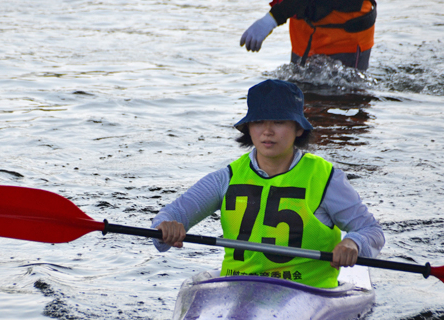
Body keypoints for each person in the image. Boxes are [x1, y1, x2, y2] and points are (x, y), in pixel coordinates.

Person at [152, 79, 384, 288]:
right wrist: (166, 228)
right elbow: (172, 216)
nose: (267, 131)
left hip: (307, 293)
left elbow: (371, 230)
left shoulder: (326, 179)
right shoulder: (226, 178)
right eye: (259, 122)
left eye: (279, 121)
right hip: (238, 290)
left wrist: (353, 243)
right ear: (248, 128)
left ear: (299, 128)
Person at [240, 0, 377, 70]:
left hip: (343, 38)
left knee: (343, 105)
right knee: (301, 102)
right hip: (304, 35)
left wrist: (273, 18)